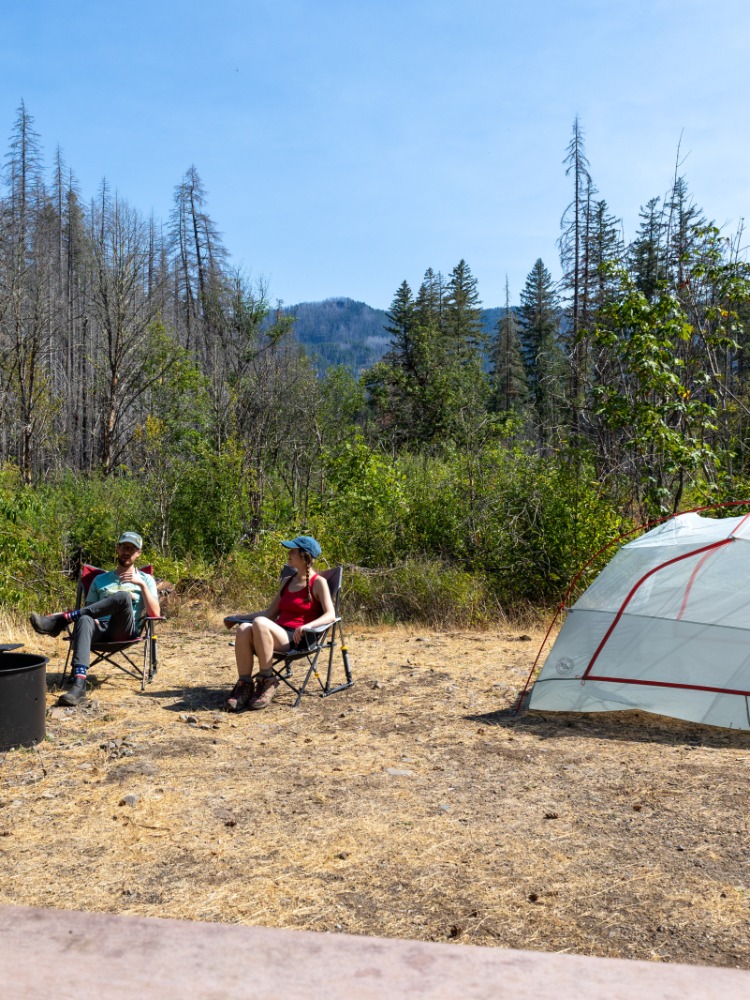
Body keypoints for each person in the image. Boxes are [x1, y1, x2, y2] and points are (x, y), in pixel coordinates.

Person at [30, 531, 160, 707]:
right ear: (117, 548)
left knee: (122, 597)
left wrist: (141, 585)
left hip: (124, 631)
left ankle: (62, 620)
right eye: (124, 547)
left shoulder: (146, 579)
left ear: (138, 553)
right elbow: (89, 609)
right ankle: (79, 686)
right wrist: (93, 619)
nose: (127, 551)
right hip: (99, 630)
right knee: (84, 619)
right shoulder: (100, 580)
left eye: (132, 548)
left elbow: (155, 614)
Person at [225, 535, 335, 711]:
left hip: (298, 637)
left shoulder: (318, 583)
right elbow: (269, 613)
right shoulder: (287, 581)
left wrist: (308, 626)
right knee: (244, 628)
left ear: (305, 556)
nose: (289, 554)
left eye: (293, 551)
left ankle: (267, 681)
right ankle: (245, 685)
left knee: (260, 623)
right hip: (275, 633)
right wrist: (238, 617)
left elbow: (331, 615)